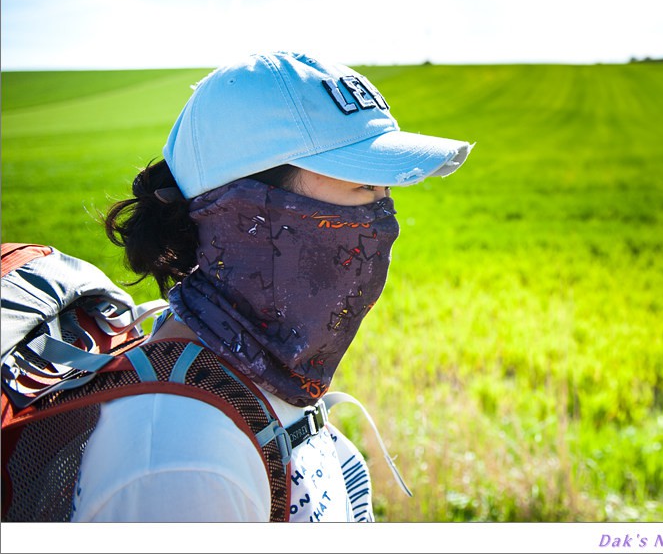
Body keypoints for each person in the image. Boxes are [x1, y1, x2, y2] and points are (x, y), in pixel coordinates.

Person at [72, 50, 473, 522]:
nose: (384, 219)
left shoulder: (258, 364)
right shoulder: (182, 465)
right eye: (364, 185)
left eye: (386, 191)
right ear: (248, 212)